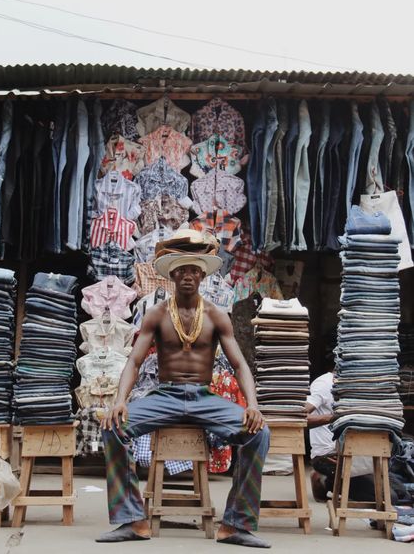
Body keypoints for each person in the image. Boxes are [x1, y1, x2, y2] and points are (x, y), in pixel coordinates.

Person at [97, 229, 271, 547]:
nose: (188, 275)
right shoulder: (156, 315)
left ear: (202, 274)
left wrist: (253, 405)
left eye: (194, 269)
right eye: (182, 269)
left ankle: (235, 524)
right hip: (167, 395)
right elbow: (134, 362)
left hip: (205, 397)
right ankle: (133, 519)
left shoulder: (218, 316)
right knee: (112, 427)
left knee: (260, 433)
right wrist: (119, 400)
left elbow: (240, 365)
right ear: (173, 274)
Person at [306, 368, 376, 502]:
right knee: (387, 497)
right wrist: (337, 417)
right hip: (329, 455)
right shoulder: (324, 383)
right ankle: (326, 481)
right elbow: (301, 416)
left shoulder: (360, 384)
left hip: (357, 454)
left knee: (401, 492)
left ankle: (335, 481)